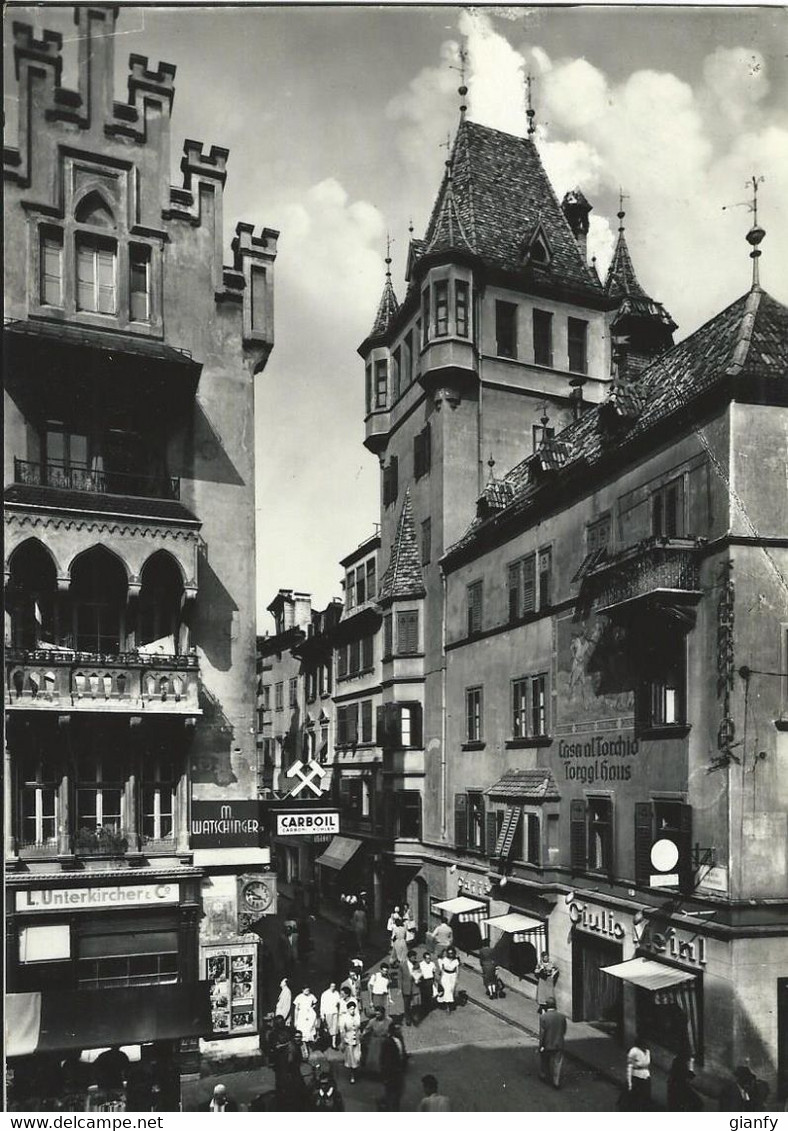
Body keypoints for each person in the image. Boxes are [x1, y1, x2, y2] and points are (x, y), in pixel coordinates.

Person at [379, 1021, 408, 1111]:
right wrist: (385, 1076)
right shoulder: (387, 1042)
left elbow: (402, 1052)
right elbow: (384, 1060)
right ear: (393, 1031)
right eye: (398, 1029)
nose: (400, 1030)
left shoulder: (400, 1039)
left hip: (398, 1072)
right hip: (391, 1074)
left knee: (397, 1094)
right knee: (391, 1095)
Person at [538, 1002, 567, 1089]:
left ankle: (544, 1075)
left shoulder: (543, 1017)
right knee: (557, 1063)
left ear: (547, 1007)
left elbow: (542, 1033)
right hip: (558, 1044)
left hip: (547, 1044)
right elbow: (564, 1030)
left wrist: (541, 1045)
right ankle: (556, 1082)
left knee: (545, 1060)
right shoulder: (562, 1017)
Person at [339, 998, 362, 1085]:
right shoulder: (344, 1018)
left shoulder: (357, 1016)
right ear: (348, 1009)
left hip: (357, 1040)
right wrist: (342, 1042)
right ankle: (352, 1075)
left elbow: (359, 1027)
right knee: (352, 1060)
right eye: (351, 1009)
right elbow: (342, 1031)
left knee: (358, 1058)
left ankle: (356, 1071)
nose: (352, 1011)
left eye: (354, 1009)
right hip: (348, 1041)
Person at [625, 1035, 652, 1110]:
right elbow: (629, 1066)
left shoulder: (647, 1052)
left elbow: (647, 1063)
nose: (646, 1045)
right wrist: (629, 1083)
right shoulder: (634, 1051)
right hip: (636, 1077)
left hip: (646, 1077)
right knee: (635, 1100)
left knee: (645, 1098)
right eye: (644, 1043)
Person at [362, 1005, 388, 1076]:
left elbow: (392, 1029)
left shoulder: (389, 1020)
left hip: (385, 1041)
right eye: (376, 1014)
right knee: (376, 1057)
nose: (377, 1015)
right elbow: (366, 1029)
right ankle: (377, 1072)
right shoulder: (372, 1021)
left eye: (379, 1014)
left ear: (383, 1014)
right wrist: (362, 1035)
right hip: (376, 1042)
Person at [400, 950, 421, 1026]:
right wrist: (400, 988)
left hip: (415, 987)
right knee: (407, 1004)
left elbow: (419, 973)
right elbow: (400, 977)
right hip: (406, 988)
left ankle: (414, 1017)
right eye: (413, 957)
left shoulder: (417, 964)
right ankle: (407, 1019)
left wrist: (418, 979)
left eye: (415, 957)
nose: (414, 958)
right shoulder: (402, 965)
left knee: (416, 1003)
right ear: (409, 957)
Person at [320, 982, 342, 1050]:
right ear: (329, 986)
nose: (333, 987)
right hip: (328, 1013)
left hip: (335, 1012)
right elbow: (322, 1005)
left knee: (334, 1028)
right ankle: (326, 1043)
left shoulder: (336, 993)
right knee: (327, 1029)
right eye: (332, 986)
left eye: (334, 986)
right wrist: (322, 1014)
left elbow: (340, 1001)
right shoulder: (325, 994)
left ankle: (333, 1044)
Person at [437, 947, 460, 1012]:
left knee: (451, 990)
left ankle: (446, 1002)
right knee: (447, 989)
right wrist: (440, 978)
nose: (451, 955)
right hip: (445, 976)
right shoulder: (445, 960)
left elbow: (457, 970)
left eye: (452, 953)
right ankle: (448, 1005)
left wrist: (457, 979)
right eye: (449, 953)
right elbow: (442, 969)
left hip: (453, 976)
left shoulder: (456, 961)